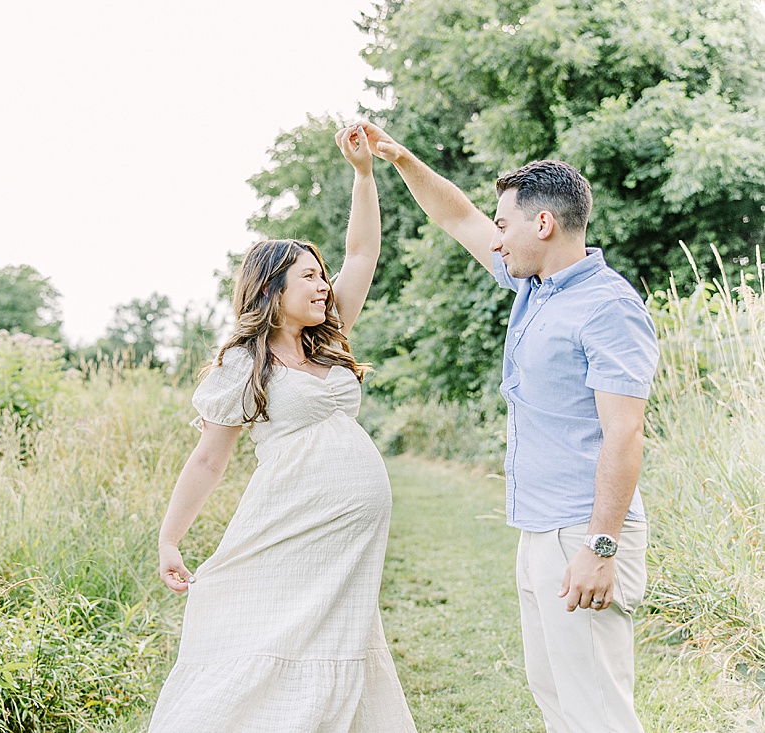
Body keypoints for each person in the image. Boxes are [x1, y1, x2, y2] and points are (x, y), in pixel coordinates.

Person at [356, 121, 659, 733]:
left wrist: (602, 549)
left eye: (505, 225)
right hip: (539, 528)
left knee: (597, 709)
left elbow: (625, 436)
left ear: (541, 224)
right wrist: (400, 158)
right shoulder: (536, 288)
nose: (495, 239)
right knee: (556, 697)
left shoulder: (608, 307)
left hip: (585, 531)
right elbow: (458, 217)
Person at [147, 125, 417, 733]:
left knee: (338, 633)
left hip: (347, 536)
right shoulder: (243, 365)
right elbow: (208, 461)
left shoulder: (330, 337)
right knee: (268, 630)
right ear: (273, 291)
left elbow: (363, 255)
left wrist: (364, 176)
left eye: (323, 276)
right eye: (309, 278)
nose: (324, 286)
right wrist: (170, 538)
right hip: (289, 517)